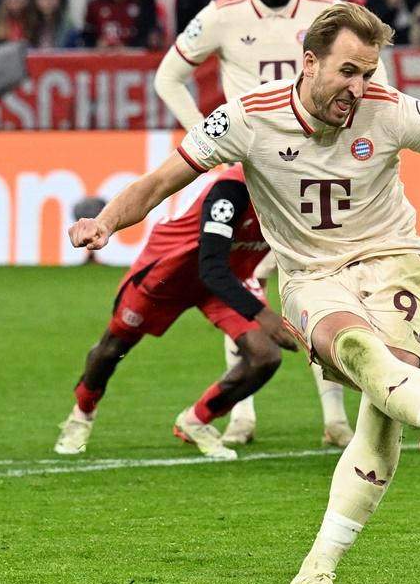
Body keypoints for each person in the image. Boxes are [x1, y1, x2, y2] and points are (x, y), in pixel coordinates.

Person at [69, 3, 420, 584]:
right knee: (360, 352)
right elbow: (159, 183)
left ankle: (315, 574)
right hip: (312, 277)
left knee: (381, 416)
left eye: (368, 72)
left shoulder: (389, 110)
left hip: (393, 264)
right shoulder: (245, 118)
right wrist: (105, 221)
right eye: (347, 72)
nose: (358, 87)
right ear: (308, 63)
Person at [153, 0, 372, 450]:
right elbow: (168, 76)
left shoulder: (329, 12)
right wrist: (206, 135)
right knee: (242, 285)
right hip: (248, 164)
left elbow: (375, 80)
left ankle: (335, 419)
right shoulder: (223, 15)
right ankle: (241, 415)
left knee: (324, 281)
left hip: (313, 169)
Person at [54, 165, 290, 459]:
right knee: (114, 346)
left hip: (228, 277)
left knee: (265, 356)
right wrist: (262, 314)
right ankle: (81, 415)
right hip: (169, 271)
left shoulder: (302, 188)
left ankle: (196, 421)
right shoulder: (232, 189)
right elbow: (210, 264)